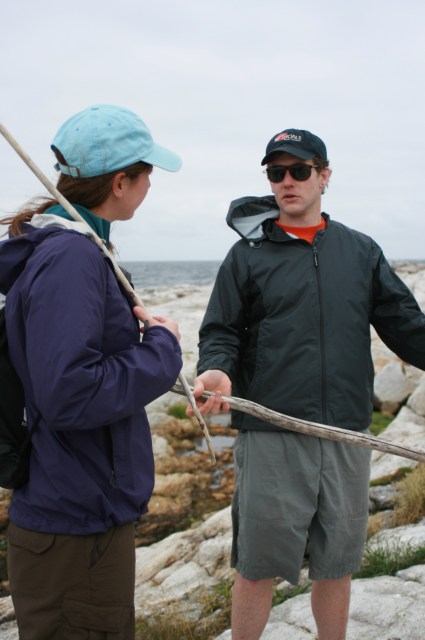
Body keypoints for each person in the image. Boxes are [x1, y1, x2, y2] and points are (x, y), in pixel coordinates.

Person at [189, 128, 425, 640]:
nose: (287, 182)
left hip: (344, 432)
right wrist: (216, 369)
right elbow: (220, 330)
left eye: (299, 170)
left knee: (336, 563)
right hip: (272, 431)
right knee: (257, 565)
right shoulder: (246, 256)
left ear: (324, 176)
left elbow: (407, 327)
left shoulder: (360, 252)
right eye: (276, 173)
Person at [0, 104, 183, 639]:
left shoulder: (77, 251)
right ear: (121, 182)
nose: (151, 183)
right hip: (74, 529)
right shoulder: (73, 259)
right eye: (147, 172)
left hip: (75, 516)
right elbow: (70, 394)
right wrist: (162, 349)